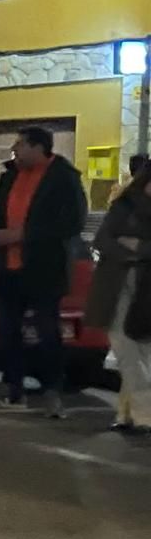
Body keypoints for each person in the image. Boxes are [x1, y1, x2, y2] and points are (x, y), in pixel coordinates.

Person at [0, 126, 87, 418]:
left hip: (43, 269)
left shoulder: (64, 179)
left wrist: (24, 235)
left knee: (47, 331)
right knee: (8, 331)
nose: (14, 150)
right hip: (9, 268)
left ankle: (53, 390)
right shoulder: (10, 176)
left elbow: (72, 223)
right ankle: (11, 386)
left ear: (39, 148)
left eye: (20, 145)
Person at [86, 163, 151, 432]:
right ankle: (142, 414)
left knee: (144, 350)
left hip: (146, 287)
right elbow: (102, 239)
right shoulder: (124, 205)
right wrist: (133, 251)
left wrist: (139, 246)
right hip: (117, 283)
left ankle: (131, 412)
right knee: (125, 347)